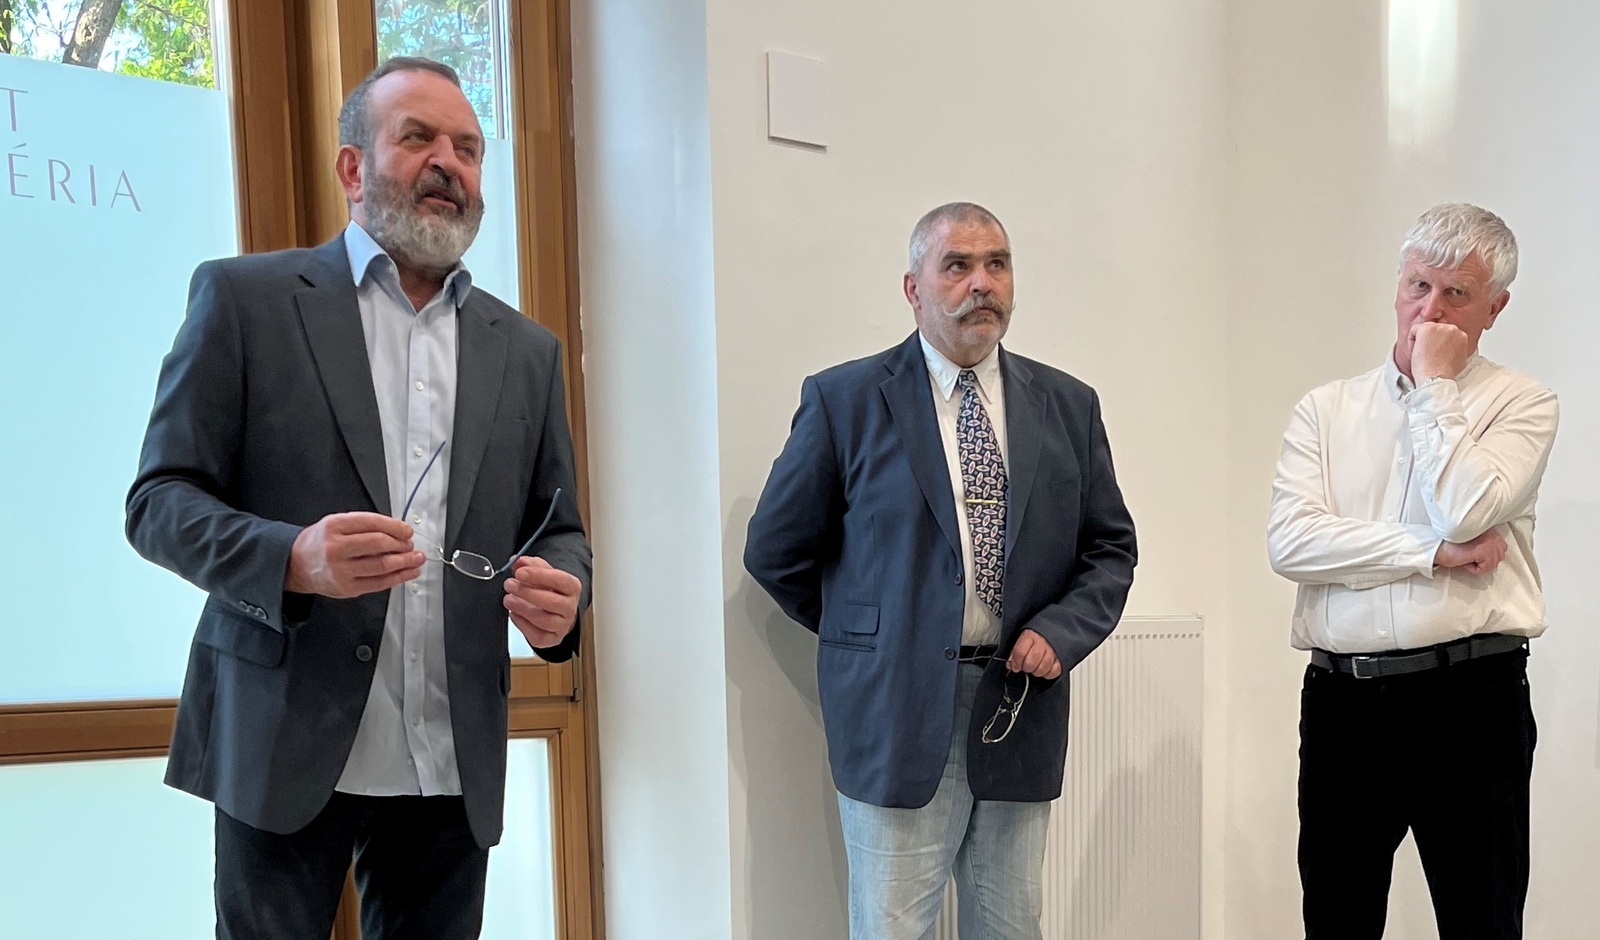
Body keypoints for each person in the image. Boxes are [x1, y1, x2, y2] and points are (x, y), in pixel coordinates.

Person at [125, 56, 591, 939]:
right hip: (284, 737)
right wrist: (291, 559)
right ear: (353, 167)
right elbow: (158, 501)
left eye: (467, 148)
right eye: (417, 138)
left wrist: (564, 597)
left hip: (450, 757)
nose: (447, 163)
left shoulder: (526, 350)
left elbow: (558, 527)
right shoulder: (245, 301)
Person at [744, 202, 1138, 938]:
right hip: (896, 713)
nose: (981, 283)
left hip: (1018, 707)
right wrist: (872, 633)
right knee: (893, 927)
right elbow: (775, 549)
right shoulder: (845, 401)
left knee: (1011, 925)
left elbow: (1109, 549)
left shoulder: (1067, 406)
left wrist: (1062, 631)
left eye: (997, 264)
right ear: (913, 289)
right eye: (957, 266)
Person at [1267, 202, 1558, 940]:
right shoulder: (1326, 409)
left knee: (1482, 920)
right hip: (1343, 702)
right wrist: (1430, 552)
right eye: (1417, 286)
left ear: (1495, 308)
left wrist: (1435, 388)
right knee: (1336, 919)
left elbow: (1466, 509)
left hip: (1471, 698)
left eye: (1456, 294)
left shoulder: (1522, 403)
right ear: (1397, 285)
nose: (1429, 311)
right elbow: (1291, 545)